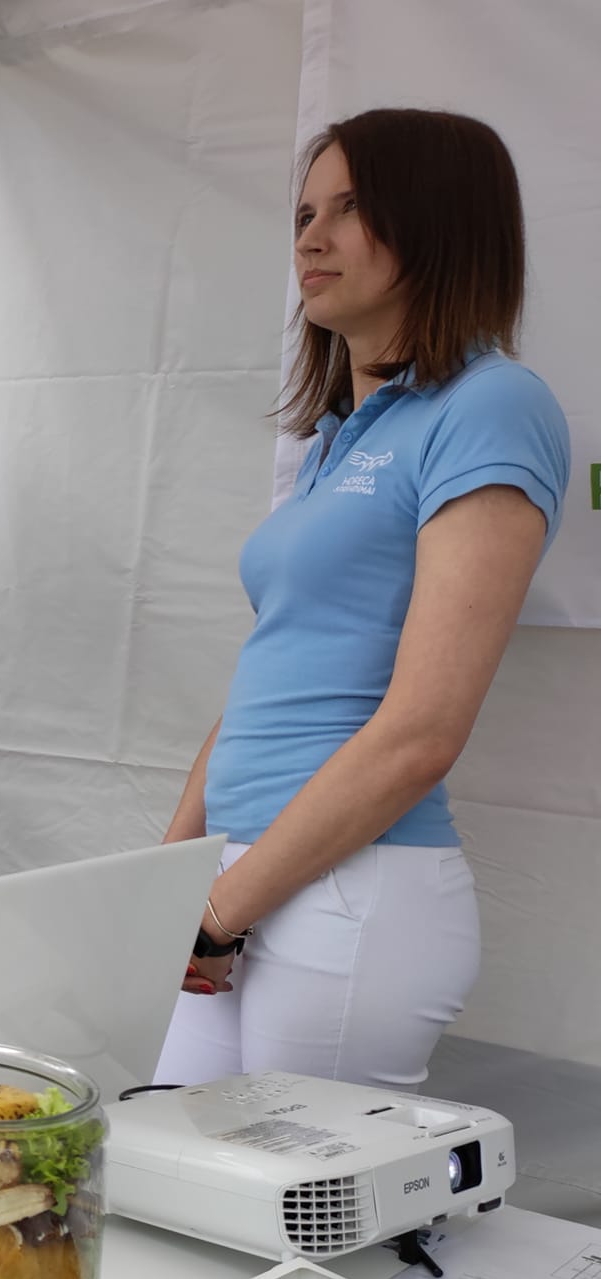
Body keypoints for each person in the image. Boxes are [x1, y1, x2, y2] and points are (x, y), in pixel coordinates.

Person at [154, 110, 570, 1090]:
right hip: (240, 879)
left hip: (348, 887)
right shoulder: (338, 438)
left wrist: (219, 911)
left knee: (299, 1189)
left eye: (348, 209)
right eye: (303, 213)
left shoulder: (491, 405)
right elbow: (265, 678)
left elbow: (422, 730)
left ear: (438, 222)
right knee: (161, 1152)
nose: (310, 237)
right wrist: (169, 875)